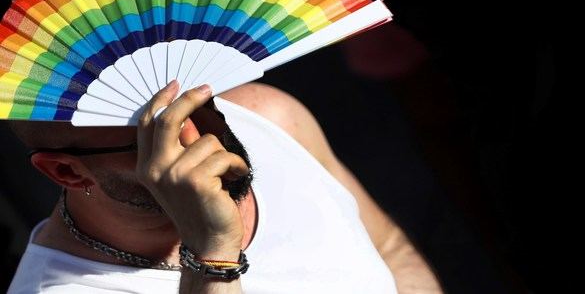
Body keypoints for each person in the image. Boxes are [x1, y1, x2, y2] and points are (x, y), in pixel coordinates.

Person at [6, 81, 442, 293]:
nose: (205, 143)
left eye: (202, 108)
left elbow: (390, 249)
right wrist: (211, 251)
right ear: (67, 172)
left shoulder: (267, 115)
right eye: (157, 134)